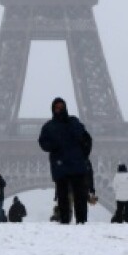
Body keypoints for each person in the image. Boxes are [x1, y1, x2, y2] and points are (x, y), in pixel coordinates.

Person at [38, 96, 93, 224]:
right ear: (53, 109)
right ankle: (65, 220)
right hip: (61, 165)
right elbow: (43, 142)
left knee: (79, 195)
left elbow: (86, 138)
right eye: (56, 107)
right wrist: (53, 146)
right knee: (63, 196)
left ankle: (81, 220)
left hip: (74, 164)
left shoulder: (73, 122)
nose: (59, 109)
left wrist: (83, 155)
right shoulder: (49, 126)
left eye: (61, 107)